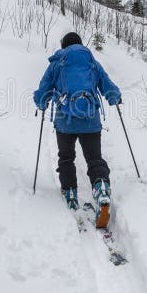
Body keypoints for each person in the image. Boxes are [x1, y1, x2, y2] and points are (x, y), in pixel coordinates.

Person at [33, 32, 122, 226]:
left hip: (65, 122)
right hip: (90, 120)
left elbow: (43, 90)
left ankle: (71, 194)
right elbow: (108, 86)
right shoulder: (92, 62)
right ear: (80, 45)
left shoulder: (57, 63)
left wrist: (41, 102)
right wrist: (115, 97)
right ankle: (101, 190)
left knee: (66, 158)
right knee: (94, 159)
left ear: (63, 46)